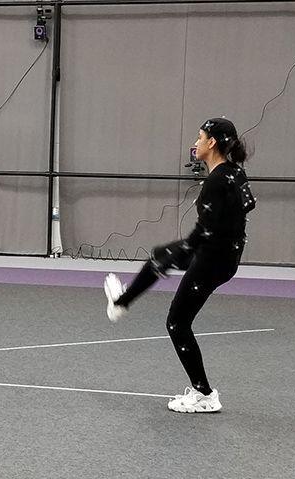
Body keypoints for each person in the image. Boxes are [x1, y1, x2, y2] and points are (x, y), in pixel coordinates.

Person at [103, 117, 256, 413]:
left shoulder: (216, 181)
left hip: (213, 258)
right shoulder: (234, 173)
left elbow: (202, 233)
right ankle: (121, 302)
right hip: (224, 253)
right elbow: (248, 203)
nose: (194, 143)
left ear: (212, 143)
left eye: (199, 138)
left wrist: (181, 252)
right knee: (160, 255)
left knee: (177, 323)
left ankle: (205, 395)